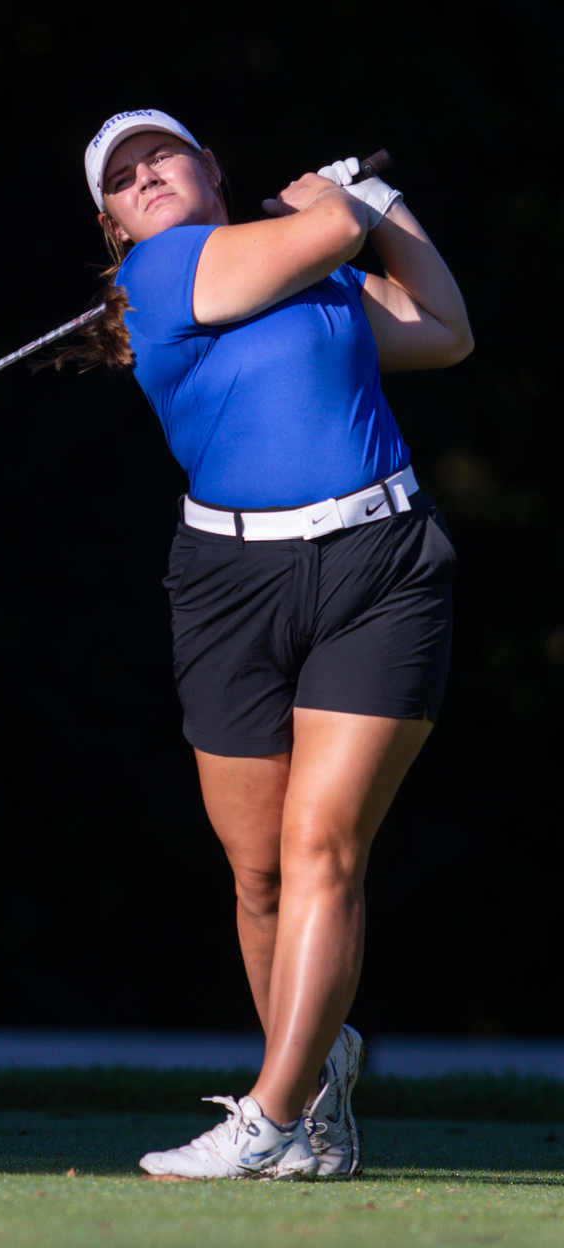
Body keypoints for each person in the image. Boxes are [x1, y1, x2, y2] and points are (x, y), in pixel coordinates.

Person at [81, 111, 473, 1180]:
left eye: (162, 153)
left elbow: (441, 327)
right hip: (227, 586)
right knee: (258, 873)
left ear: (210, 169)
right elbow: (324, 234)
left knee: (321, 847)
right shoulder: (158, 278)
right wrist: (335, 203)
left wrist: (378, 204)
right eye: (122, 177)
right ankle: (314, 1083)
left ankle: (268, 1111)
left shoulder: (313, 275)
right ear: (114, 225)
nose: (146, 175)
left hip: (378, 567)